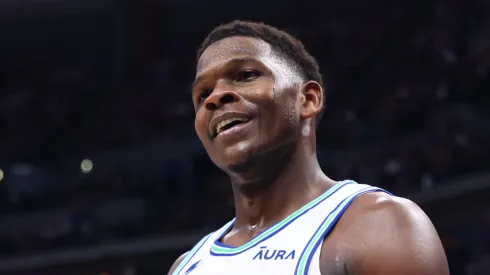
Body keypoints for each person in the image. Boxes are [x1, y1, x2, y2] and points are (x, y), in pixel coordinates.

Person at [168, 21, 449, 275]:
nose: (215, 98)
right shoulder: (186, 266)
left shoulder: (380, 227)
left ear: (308, 99)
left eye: (246, 75)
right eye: (202, 94)